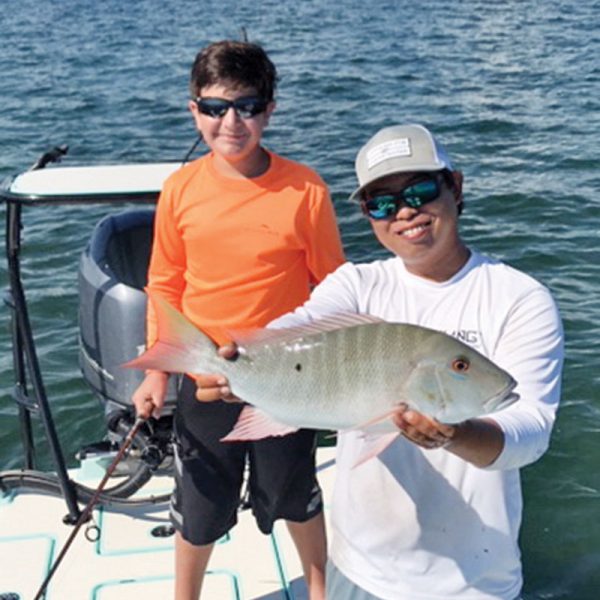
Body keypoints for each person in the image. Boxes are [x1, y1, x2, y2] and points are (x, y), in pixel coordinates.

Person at [196, 124, 564, 599]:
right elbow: (296, 329)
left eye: (421, 189)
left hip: (475, 583)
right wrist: (229, 364)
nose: (406, 211)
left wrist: (456, 434)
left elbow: (531, 432)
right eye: (382, 203)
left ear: (456, 186)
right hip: (358, 571)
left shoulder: (519, 299)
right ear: (369, 216)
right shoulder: (355, 286)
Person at [132, 40, 345, 600]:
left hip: (287, 377)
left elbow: (334, 289)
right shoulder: (180, 190)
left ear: (270, 109)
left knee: (294, 491)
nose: (232, 122)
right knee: (199, 505)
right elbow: (165, 283)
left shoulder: (306, 190)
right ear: (193, 110)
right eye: (215, 106)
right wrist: (157, 373)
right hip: (202, 377)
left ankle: (318, 589)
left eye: (248, 106)